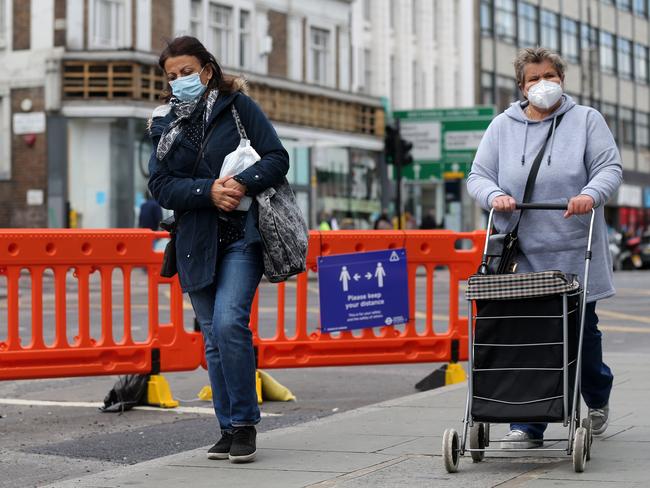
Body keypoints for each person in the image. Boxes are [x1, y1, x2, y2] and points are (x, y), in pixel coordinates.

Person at [467, 47, 622, 449]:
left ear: (562, 80)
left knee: (582, 335)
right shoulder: (502, 126)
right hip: (521, 255)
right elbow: (478, 176)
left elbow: (610, 168)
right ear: (521, 86)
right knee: (528, 338)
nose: (542, 84)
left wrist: (589, 193)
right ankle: (528, 425)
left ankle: (598, 394)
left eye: (550, 76)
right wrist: (495, 195)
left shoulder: (586, 120)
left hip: (574, 250)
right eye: (534, 78)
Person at [147, 36, 289, 463]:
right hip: (194, 240)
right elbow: (159, 185)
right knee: (212, 336)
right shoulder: (163, 123)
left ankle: (245, 424)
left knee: (229, 325)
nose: (180, 81)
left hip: (241, 234)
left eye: (187, 72)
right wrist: (206, 191)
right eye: (172, 76)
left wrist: (241, 183)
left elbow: (277, 158)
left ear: (207, 69)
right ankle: (226, 428)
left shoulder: (238, 106)